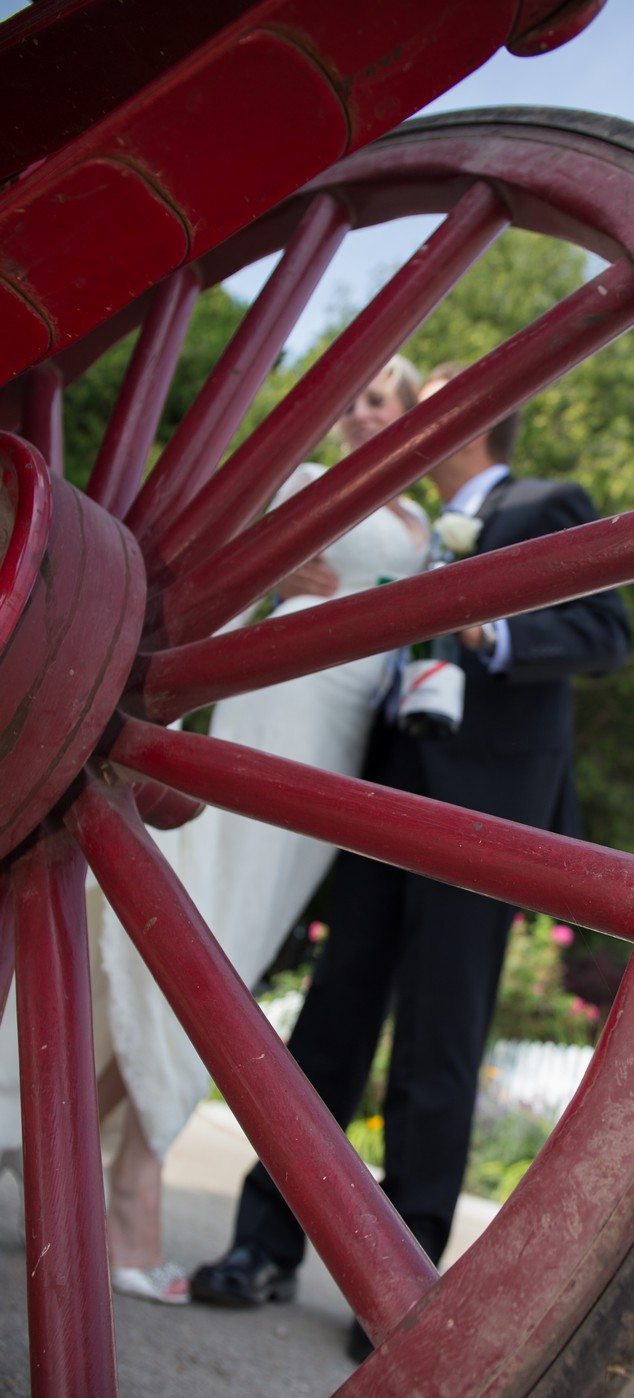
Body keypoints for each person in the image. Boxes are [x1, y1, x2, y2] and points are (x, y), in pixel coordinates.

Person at [191, 365, 632, 1358]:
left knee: (438, 1045)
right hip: (384, 789)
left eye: (432, 401)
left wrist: (495, 625)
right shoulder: (417, 526)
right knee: (330, 1028)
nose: (409, 419)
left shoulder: (546, 503)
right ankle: (262, 1246)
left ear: (480, 416)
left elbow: (605, 631)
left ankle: (391, 1284)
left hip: (488, 812)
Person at [0, 357, 430, 1303]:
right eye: (360, 402)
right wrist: (283, 572)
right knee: (205, 924)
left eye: (383, 403)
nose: (365, 417)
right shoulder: (312, 485)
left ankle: (50, 1143)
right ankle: (130, 1184)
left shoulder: (426, 526)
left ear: (412, 417)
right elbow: (213, 556)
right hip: (279, 701)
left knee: (240, 943)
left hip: (348, 731)